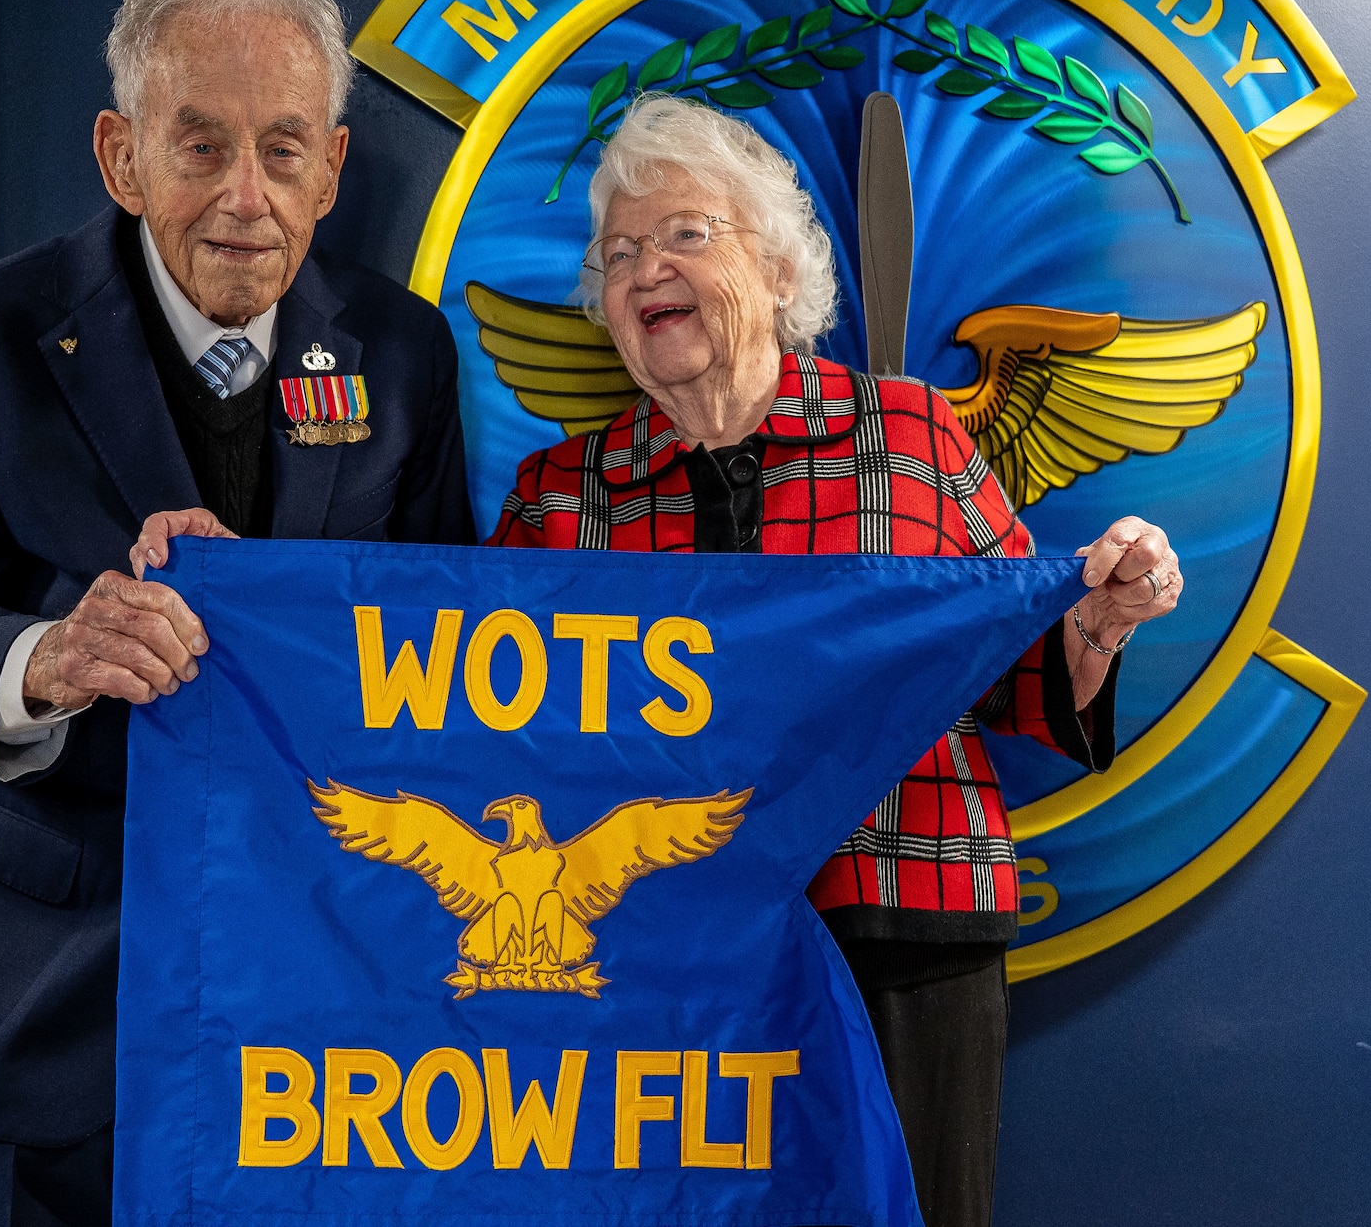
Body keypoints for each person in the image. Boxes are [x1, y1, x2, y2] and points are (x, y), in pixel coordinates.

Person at [486, 94, 1181, 1227]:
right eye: (617, 252)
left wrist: (1102, 614)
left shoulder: (909, 435)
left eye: (683, 234)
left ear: (771, 267)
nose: (644, 266)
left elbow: (1016, 672)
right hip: (648, 953)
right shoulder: (558, 493)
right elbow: (478, 725)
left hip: (899, 930)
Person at [0, 0, 475, 1227]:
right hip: (59, 983)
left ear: (335, 169)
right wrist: (47, 656)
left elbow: (442, 630)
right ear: (121, 154)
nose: (245, 197)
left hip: (331, 998)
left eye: (283, 151)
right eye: (199, 147)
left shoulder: (404, 352)